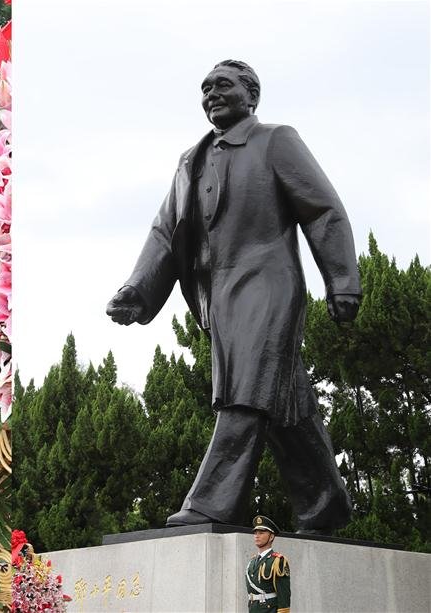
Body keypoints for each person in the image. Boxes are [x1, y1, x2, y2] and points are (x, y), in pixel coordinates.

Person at [106, 60, 360, 533]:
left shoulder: (276, 140)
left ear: (252, 95)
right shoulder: (190, 160)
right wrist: (137, 290)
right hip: (218, 297)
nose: (211, 95)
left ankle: (212, 503)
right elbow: (166, 231)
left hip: (268, 284)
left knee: (245, 391)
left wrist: (342, 280)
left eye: (223, 85)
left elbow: (322, 210)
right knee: (282, 398)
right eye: (205, 89)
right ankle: (325, 500)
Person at [247, 515, 291, 613]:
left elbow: (284, 594)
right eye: (255, 533)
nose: (257, 536)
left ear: (271, 537)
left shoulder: (277, 561)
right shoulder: (252, 562)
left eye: (261, 533)